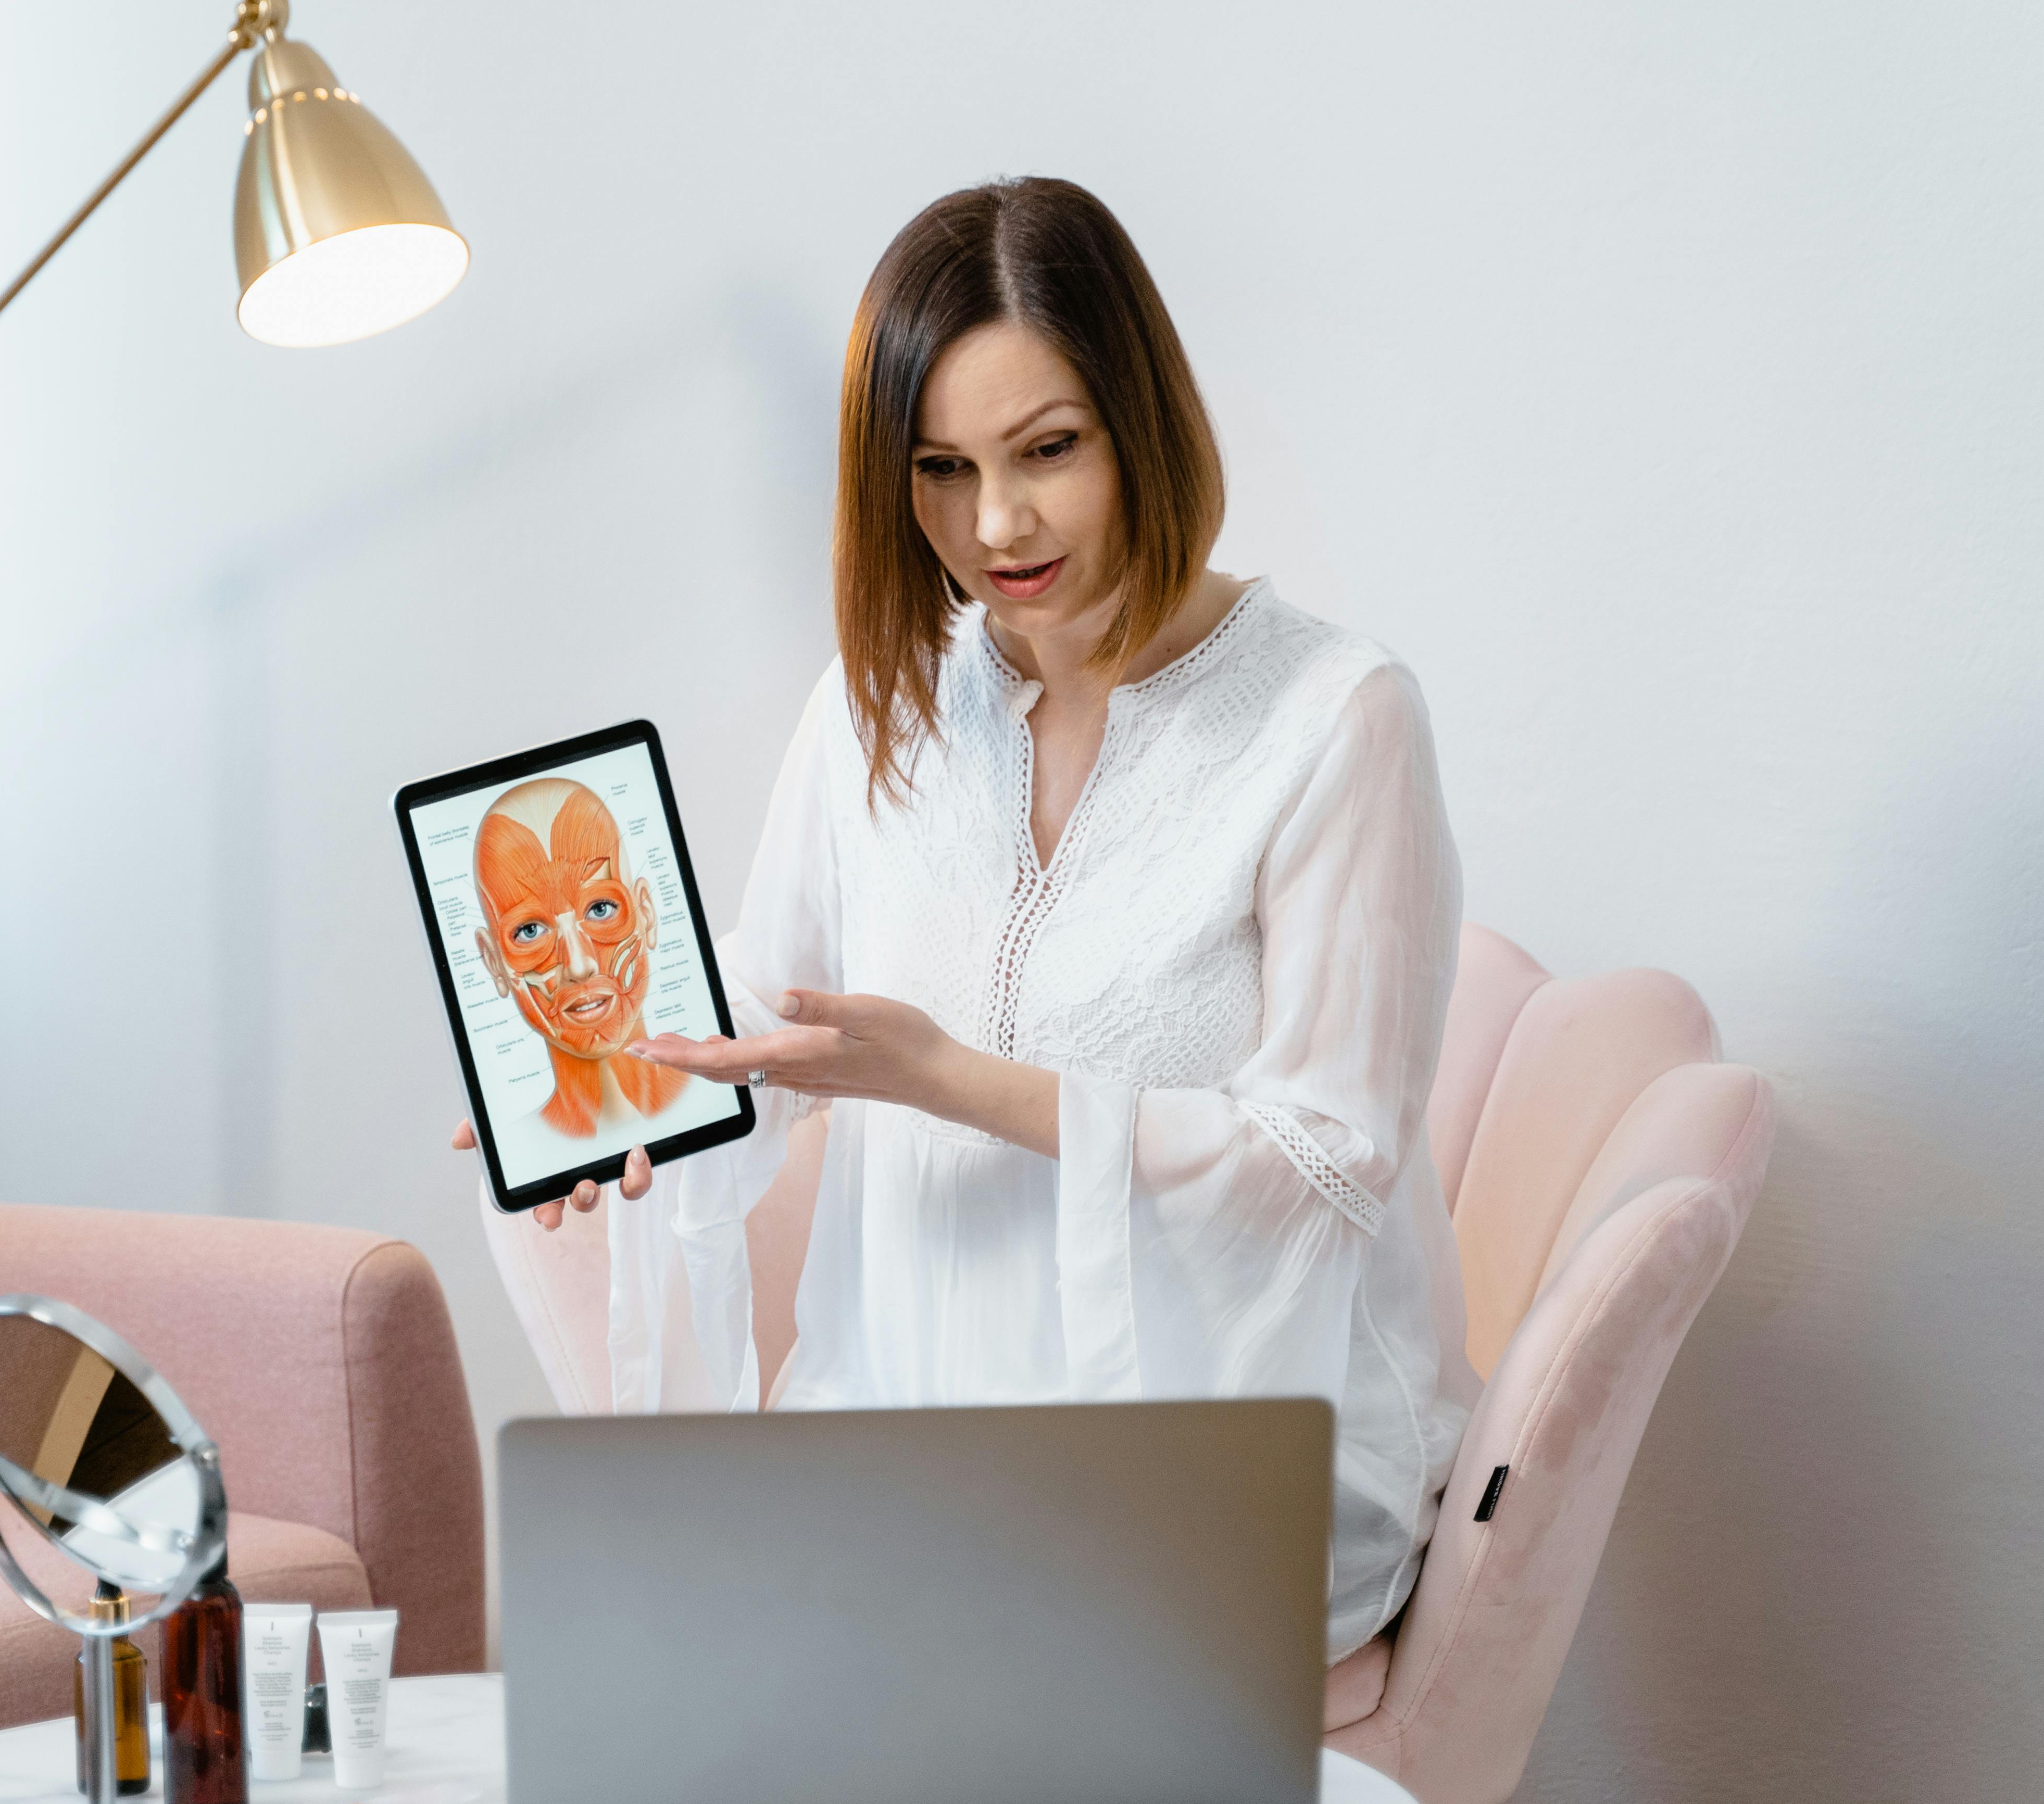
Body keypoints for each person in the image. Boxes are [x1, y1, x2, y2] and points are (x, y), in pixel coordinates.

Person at [458, 176, 1474, 1662]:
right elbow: (776, 1006)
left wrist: (952, 1082)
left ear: (1142, 420)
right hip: (910, 1411)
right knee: (669, 1628)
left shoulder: (1333, 719)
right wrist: (610, 1093)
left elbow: (1326, 1160)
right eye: (937, 468)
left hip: (1229, 1455)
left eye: (1044, 451)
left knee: (822, 1661)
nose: (993, 525)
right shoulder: (879, 704)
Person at [469, 775, 689, 1156]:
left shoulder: (720, 1090)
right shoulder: (525, 1154)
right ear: (495, 963)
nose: (580, 963)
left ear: (646, 914)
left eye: (601, 908)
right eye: (530, 930)